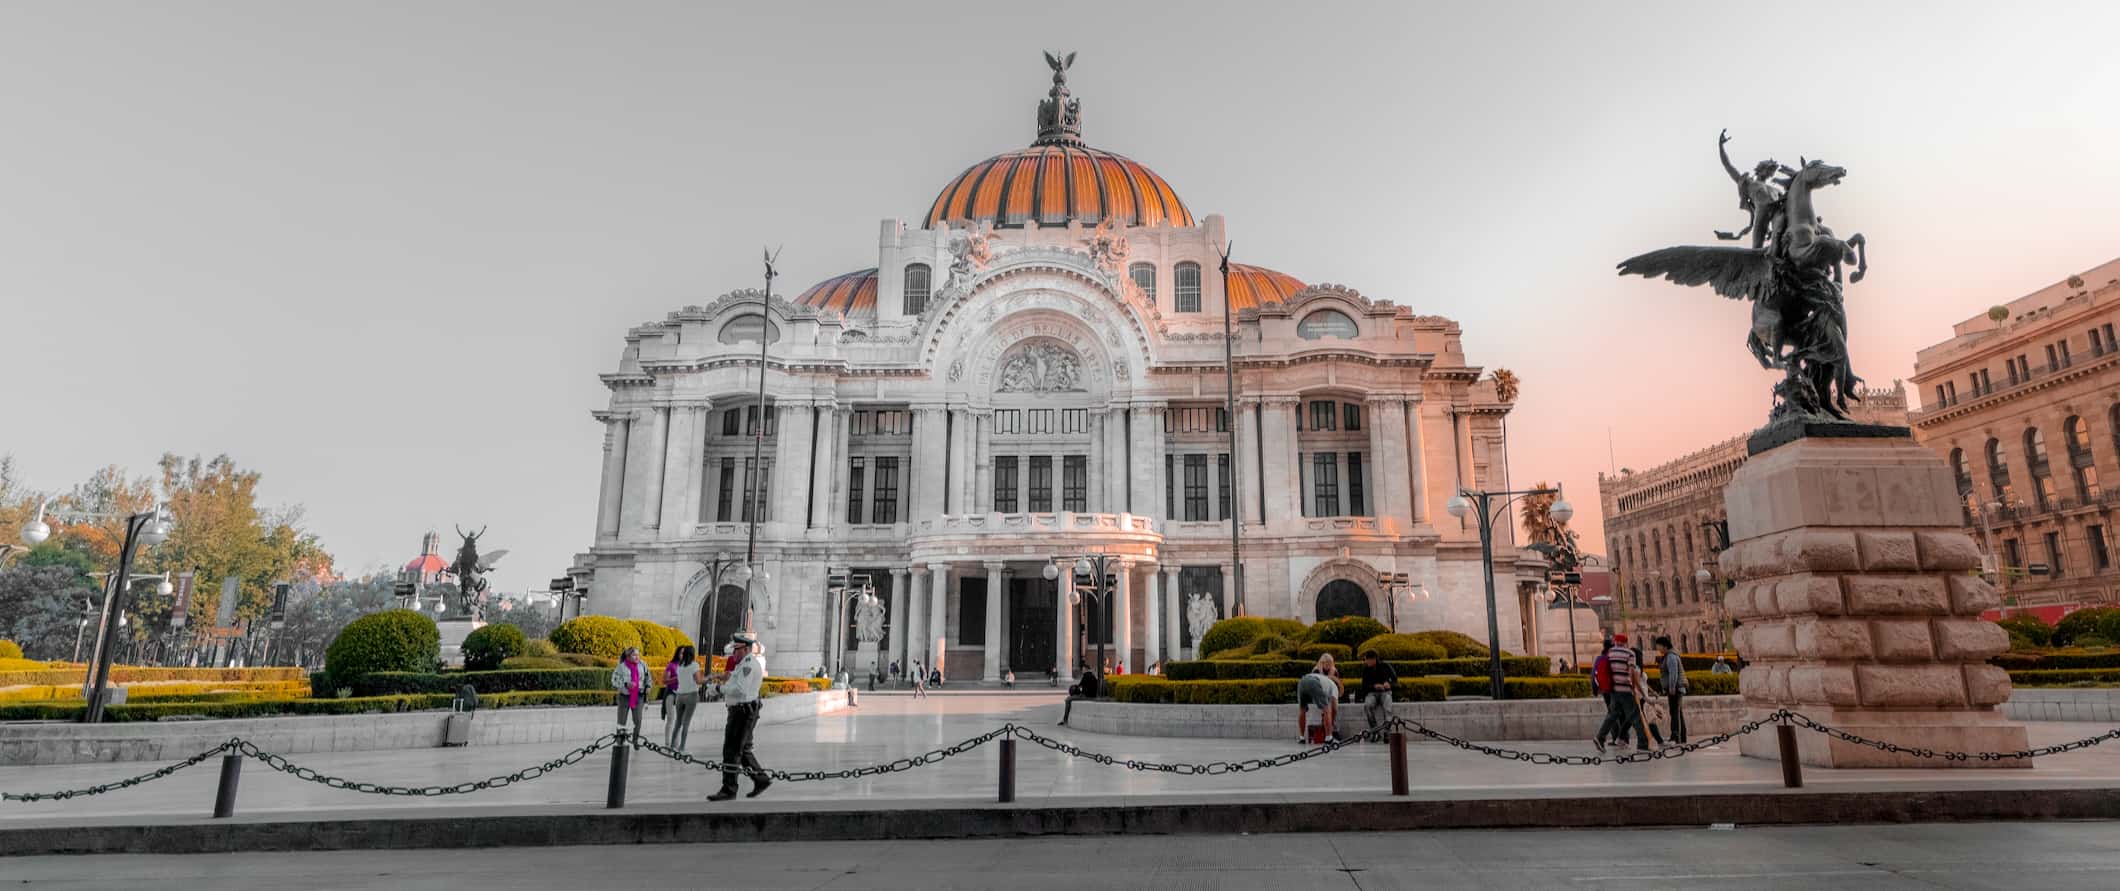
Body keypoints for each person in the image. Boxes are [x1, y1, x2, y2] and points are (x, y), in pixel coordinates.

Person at [707, 632, 770, 801]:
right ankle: (761, 779)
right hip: (742, 711)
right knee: (743, 750)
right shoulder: (743, 664)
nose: (734, 653)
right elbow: (735, 685)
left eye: (737, 649)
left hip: (742, 712)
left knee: (732, 750)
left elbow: (740, 690)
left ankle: (729, 788)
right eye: (733, 649)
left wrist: (719, 689)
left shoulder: (748, 665)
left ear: (747, 649)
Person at [1591, 634, 1641, 754]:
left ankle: (1600, 737)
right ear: (1625, 642)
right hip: (1625, 689)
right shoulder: (1629, 653)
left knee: (1613, 715)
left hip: (1612, 689)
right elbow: (1631, 672)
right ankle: (1643, 743)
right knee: (1635, 715)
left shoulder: (1609, 654)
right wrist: (1633, 687)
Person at [662, 645, 706, 752]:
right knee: (686, 723)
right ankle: (682, 746)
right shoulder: (694, 665)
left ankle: (672, 745)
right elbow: (698, 681)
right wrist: (709, 678)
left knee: (678, 722)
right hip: (691, 695)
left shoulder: (680, 666)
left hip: (679, 696)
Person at [1297, 657, 1340, 743]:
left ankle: (1301, 737)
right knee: (1327, 710)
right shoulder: (1334, 687)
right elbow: (1334, 708)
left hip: (1302, 681)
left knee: (1302, 710)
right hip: (1314, 682)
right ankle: (1329, 738)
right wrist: (1331, 725)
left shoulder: (1324, 680)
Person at [1655, 635, 1688, 744]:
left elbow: (1673, 673)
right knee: (1678, 713)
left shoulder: (1671, 657)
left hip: (1676, 688)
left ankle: (1675, 737)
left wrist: (1672, 687)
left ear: (1664, 646)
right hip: (1676, 688)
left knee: (1674, 713)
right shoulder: (1668, 656)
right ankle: (1682, 737)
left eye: (1659, 646)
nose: (1658, 649)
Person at [609, 646, 648, 737]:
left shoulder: (643, 665)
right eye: (634, 655)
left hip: (638, 696)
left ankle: (635, 738)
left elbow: (647, 678)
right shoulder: (621, 667)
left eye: (638, 655)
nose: (637, 657)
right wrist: (625, 684)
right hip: (624, 697)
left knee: (638, 720)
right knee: (621, 721)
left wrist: (648, 686)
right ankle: (620, 741)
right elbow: (614, 680)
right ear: (628, 656)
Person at [1358, 649, 1398, 735]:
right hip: (1372, 693)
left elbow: (1395, 681)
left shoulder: (1386, 666)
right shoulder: (1366, 670)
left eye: (1367, 659)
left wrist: (1389, 684)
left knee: (1388, 707)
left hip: (1385, 692)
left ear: (1374, 659)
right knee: (1367, 705)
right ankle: (1375, 731)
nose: (1366, 662)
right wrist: (1374, 686)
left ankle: (1387, 731)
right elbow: (1364, 687)